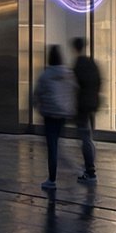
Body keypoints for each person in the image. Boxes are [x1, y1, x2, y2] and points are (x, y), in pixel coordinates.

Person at [32, 45, 77, 191]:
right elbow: (73, 92)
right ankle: (70, 169)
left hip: (49, 114)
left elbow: (37, 94)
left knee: (52, 147)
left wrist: (37, 107)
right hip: (63, 114)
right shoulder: (68, 74)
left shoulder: (45, 75)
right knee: (58, 144)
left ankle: (52, 178)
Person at [71, 36, 101, 184]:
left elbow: (74, 86)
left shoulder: (78, 64)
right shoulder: (91, 63)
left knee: (85, 137)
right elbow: (99, 81)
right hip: (92, 103)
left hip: (82, 105)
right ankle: (90, 166)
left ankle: (90, 170)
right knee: (88, 136)